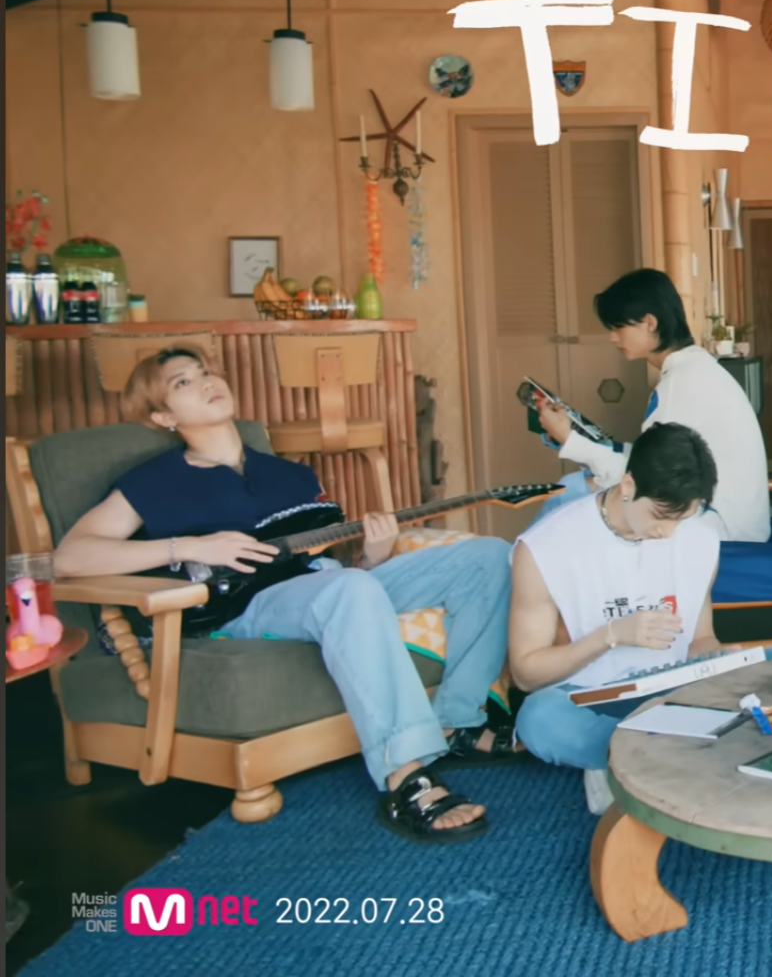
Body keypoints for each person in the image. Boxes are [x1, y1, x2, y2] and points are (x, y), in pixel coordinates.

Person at [53, 345, 512, 844]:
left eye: (206, 372)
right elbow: (69, 557)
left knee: (487, 557)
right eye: (183, 382)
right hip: (244, 607)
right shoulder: (153, 481)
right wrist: (190, 546)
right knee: (347, 588)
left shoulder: (289, 474)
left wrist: (374, 555)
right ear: (163, 416)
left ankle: (457, 722)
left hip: (321, 588)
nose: (207, 382)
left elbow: (337, 576)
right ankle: (406, 776)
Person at [509, 422, 772, 812]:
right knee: (539, 717)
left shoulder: (698, 539)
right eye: (660, 516)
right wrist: (610, 634)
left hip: (676, 690)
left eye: (681, 519)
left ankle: (632, 763)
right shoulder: (546, 548)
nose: (667, 533)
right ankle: (669, 757)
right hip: (595, 697)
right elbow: (526, 674)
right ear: (628, 485)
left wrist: (720, 661)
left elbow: (700, 639)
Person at [536, 269, 770, 543]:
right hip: (728, 521)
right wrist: (578, 439)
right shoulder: (694, 372)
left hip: (720, 529)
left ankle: (528, 567)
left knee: (571, 493)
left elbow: (649, 478)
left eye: (618, 327)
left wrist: (571, 440)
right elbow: (652, 460)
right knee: (581, 486)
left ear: (649, 323)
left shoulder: (682, 383)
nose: (613, 338)